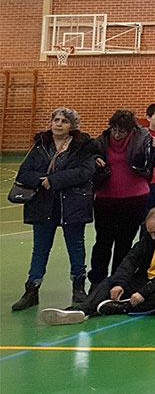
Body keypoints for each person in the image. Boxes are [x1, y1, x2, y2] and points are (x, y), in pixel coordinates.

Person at [40, 207, 155, 325]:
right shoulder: (152, 235)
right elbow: (132, 258)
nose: (153, 237)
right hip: (150, 277)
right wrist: (120, 283)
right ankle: (83, 310)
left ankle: (121, 307)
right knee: (111, 281)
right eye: (150, 233)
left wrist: (142, 292)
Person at [12, 108, 100, 312]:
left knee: (76, 247)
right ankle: (32, 289)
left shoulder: (82, 146)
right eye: (56, 120)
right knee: (40, 249)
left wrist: (54, 180)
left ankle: (79, 288)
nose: (59, 124)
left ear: (72, 126)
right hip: (43, 205)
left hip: (73, 204)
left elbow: (85, 172)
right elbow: (24, 173)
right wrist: (41, 181)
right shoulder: (40, 145)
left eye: (64, 121)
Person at [89, 110, 155, 290]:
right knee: (103, 242)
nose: (117, 134)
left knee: (124, 243)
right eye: (114, 129)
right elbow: (89, 156)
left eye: (122, 131)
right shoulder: (102, 140)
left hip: (135, 198)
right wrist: (95, 159)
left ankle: (118, 281)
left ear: (131, 129)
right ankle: (97, 282)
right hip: (105, 198)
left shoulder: (143, 138)